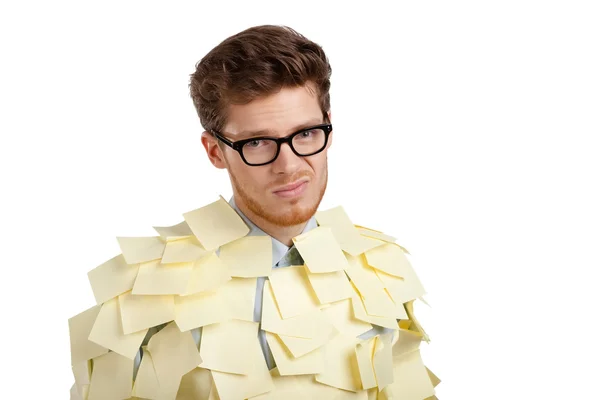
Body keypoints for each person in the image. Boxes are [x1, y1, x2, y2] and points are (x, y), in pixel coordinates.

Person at [68, 24, 439, 400]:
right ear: (215, 151)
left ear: (329, 127)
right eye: (258, 142)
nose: (289, 165)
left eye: (307, 133)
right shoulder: (142, 289)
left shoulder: (382, 270)